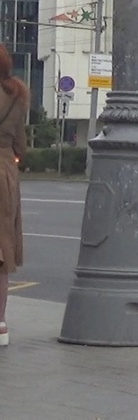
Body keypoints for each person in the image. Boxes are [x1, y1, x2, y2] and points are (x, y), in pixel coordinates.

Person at [0, 43, 29, 347]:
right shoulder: (18, 95)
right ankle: (1, 324)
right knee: (3, 252)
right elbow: (21, 144)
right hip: (6, 172)